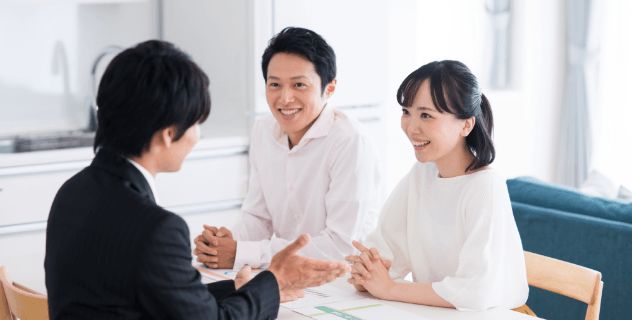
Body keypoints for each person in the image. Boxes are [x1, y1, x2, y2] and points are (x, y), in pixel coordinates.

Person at [44, 40, 350, 320]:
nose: (197, 136)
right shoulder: (156, 229)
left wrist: (249, 287)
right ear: (168, 134)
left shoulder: (71, 193)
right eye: (196, 122)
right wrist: (275, 279)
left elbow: (165, 300)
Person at [345, 60, 529, 311]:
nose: (411, 127)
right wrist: (367, 273)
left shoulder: (485, 187)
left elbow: (475, 291)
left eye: (426, 115)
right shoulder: (421, 175)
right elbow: (385, 252)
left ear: (466, 124)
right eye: (406, 112)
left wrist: (390, 288)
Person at [194, 27, 382, 270]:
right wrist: (224, 243)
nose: (284, 99)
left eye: (299, 85)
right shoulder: (263, 130)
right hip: (285, 278)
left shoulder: (350, 142)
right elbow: (259, 219)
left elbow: (340, 248)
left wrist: (244, 252)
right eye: (275, 85)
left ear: (330, 88)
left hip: (343, 283)